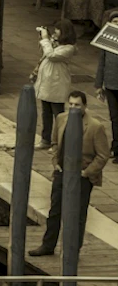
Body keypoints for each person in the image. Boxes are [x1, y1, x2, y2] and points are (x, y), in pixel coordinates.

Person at [31, 90, 111, 257]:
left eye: (77, 105)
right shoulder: (61, 119)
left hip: (82, 176)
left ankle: (72, 249)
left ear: (85, 106)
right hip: (62, 172)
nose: (74, 107)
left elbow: (103, 155)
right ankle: (48, 245)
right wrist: (55, 163)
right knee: (54, 211)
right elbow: (54, 143)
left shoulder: (96, 127)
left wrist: (86, 172)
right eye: (71, 104)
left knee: (78, 214)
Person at [35, 21, 77, 145]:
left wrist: (45, 39)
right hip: (47, 83)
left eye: (58, 30)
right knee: (45, 113)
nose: (56, 32)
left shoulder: (69, 48)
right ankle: (45, 138)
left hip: (57, 83)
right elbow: (44, 53)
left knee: (58, 114)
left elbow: (51, 55)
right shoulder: (55, 43)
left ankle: (59, 141)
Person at [96, 12, 118, 143]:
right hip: (110, 85)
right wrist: (99, 85)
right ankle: (115, 146)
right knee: (114, 117)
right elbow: (101, 63)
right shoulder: (106, 41)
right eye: (115, 22)